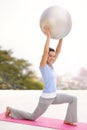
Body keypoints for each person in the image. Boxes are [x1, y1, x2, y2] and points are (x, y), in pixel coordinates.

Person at [5, 26, 77, 126]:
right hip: (46, 99)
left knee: (73, 99)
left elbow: (58, 51)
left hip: (54, 96)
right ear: (46, 56)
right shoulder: (43, 66)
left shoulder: (51, 65)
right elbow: (45, 51)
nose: (52, 58)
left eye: (53, 56)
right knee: (32, 117)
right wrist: (48, 35)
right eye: (50, 55)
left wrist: (61, 37)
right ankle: (11, 110)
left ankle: (69, 120)